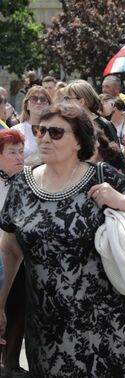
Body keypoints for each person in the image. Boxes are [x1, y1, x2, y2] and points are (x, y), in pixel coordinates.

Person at [0, 103, 125, 377]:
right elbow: (9, 249)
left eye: (55, 132)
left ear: (79, 141)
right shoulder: (23, 183)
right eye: (39, 130)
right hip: (46, 327)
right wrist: (1, 304)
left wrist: (120, 200)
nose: (43, 138)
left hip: (106, 326)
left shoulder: (102, 177)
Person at [0, 130, 26, 378]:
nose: (19, 157)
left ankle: (11, 364)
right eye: (12, 153)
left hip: (22, 261)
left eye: (21, 152)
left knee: (18, 313)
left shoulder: (30, 182)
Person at [61, 80, 125, 171]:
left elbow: (117, 161)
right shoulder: (67, 124)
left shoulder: (104, 125)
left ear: (81, 101)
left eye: (67, 98)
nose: (63, 102)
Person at [12, 87, 52, 167]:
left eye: (43, 99)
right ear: (27, 105)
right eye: (34, 99)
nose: (39, 102)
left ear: (49, 105)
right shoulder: (16, 131)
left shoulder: (56, 131)